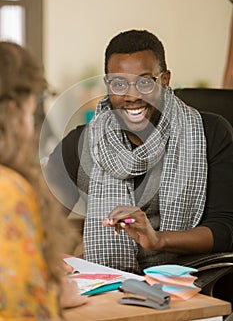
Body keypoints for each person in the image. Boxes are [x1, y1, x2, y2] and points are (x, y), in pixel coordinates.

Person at [45, 29, 233, 275]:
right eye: (119, 84)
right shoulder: (80, 143)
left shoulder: (210, 132)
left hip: (189, 280)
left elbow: (225, 229)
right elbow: (41, 220)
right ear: (108, 85)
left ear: (165, 80)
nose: (132, 96)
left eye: (145, 82)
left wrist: (157, 239)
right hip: (107, 284)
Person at [0, 41, 87, 319]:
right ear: (15, 109)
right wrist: (55, 292)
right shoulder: (8, 190)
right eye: (35, 105)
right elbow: (22, 306)